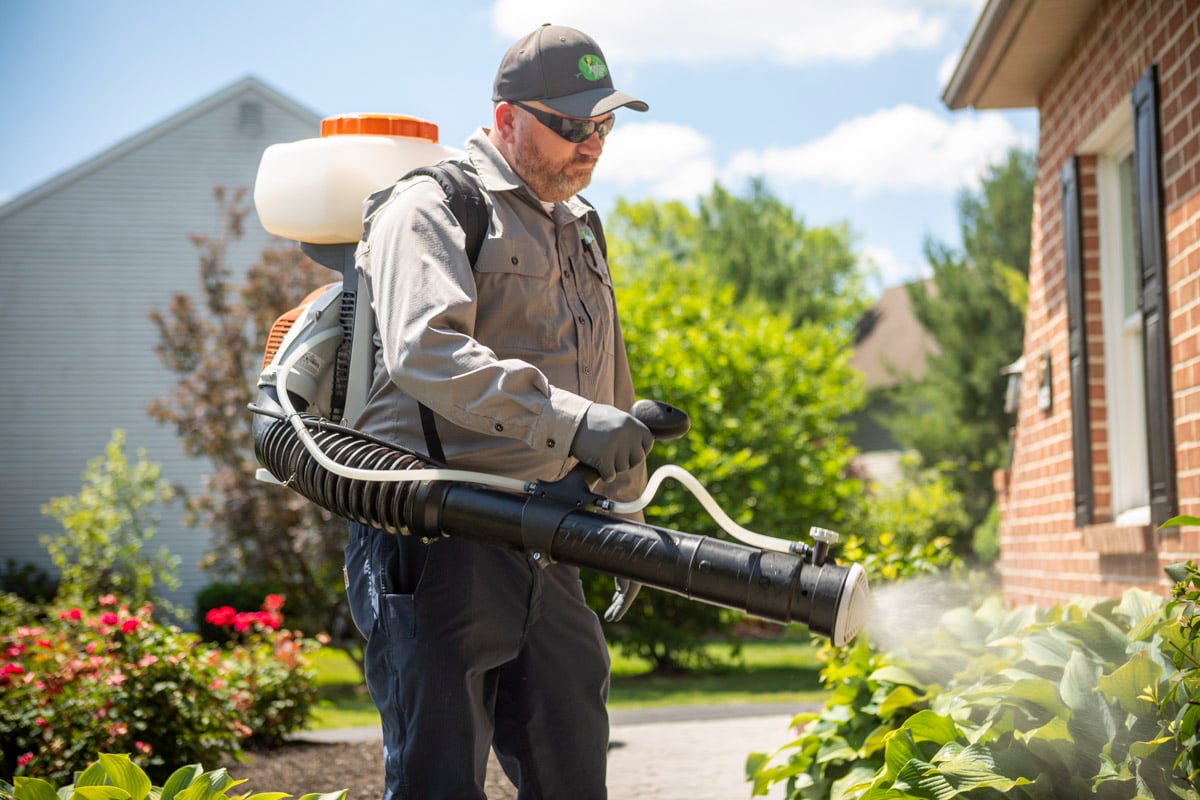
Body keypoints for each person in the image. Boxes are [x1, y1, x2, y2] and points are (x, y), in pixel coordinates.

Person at [343, 23, 652, 800]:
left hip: (546, 535)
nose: (593, 146)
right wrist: (575, 422)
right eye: (573, 126)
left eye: (604, 126)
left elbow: (606, 382)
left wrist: (629, 520)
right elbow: (426, 352)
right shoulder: (432, 207)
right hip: (436, 537)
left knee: (572, 766)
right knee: (437, 779)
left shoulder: (579, 227)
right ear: (508, 116)